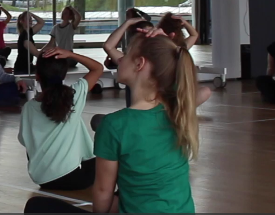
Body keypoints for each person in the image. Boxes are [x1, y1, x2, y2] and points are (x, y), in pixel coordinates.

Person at [25, 32, 200, 213]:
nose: (120, 59)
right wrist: (165, 48)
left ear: (139, 64)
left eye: (126, 54)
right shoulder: (177, 112)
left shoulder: (114, 125)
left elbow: (103, 192)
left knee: (36, 206)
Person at [19, 48, 104, 191]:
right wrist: (71, 54)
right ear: (64, 74)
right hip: (74, 178)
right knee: (112, 151)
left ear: (37, 76)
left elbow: (25, 141)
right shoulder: (73, 96)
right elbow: (98, 68)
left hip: (43, 180)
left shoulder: (28, 108)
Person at [157, 13, 212, 107]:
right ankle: (181, 109)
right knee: (205, 91)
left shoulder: (160, 48)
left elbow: (194, 35)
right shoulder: (181, 47)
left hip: (164, 95)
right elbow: (194, 35)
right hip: (175, 95)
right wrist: (185, 22)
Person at [14, 11, 46, 76]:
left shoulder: (29, 32)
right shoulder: (25, 36)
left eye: (31, 19)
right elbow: (37, 54)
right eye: (28, 19)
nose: (30, 21)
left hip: (28, 66)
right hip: (22, 69)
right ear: (21, 21)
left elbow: (41, 22)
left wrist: (31, 14)